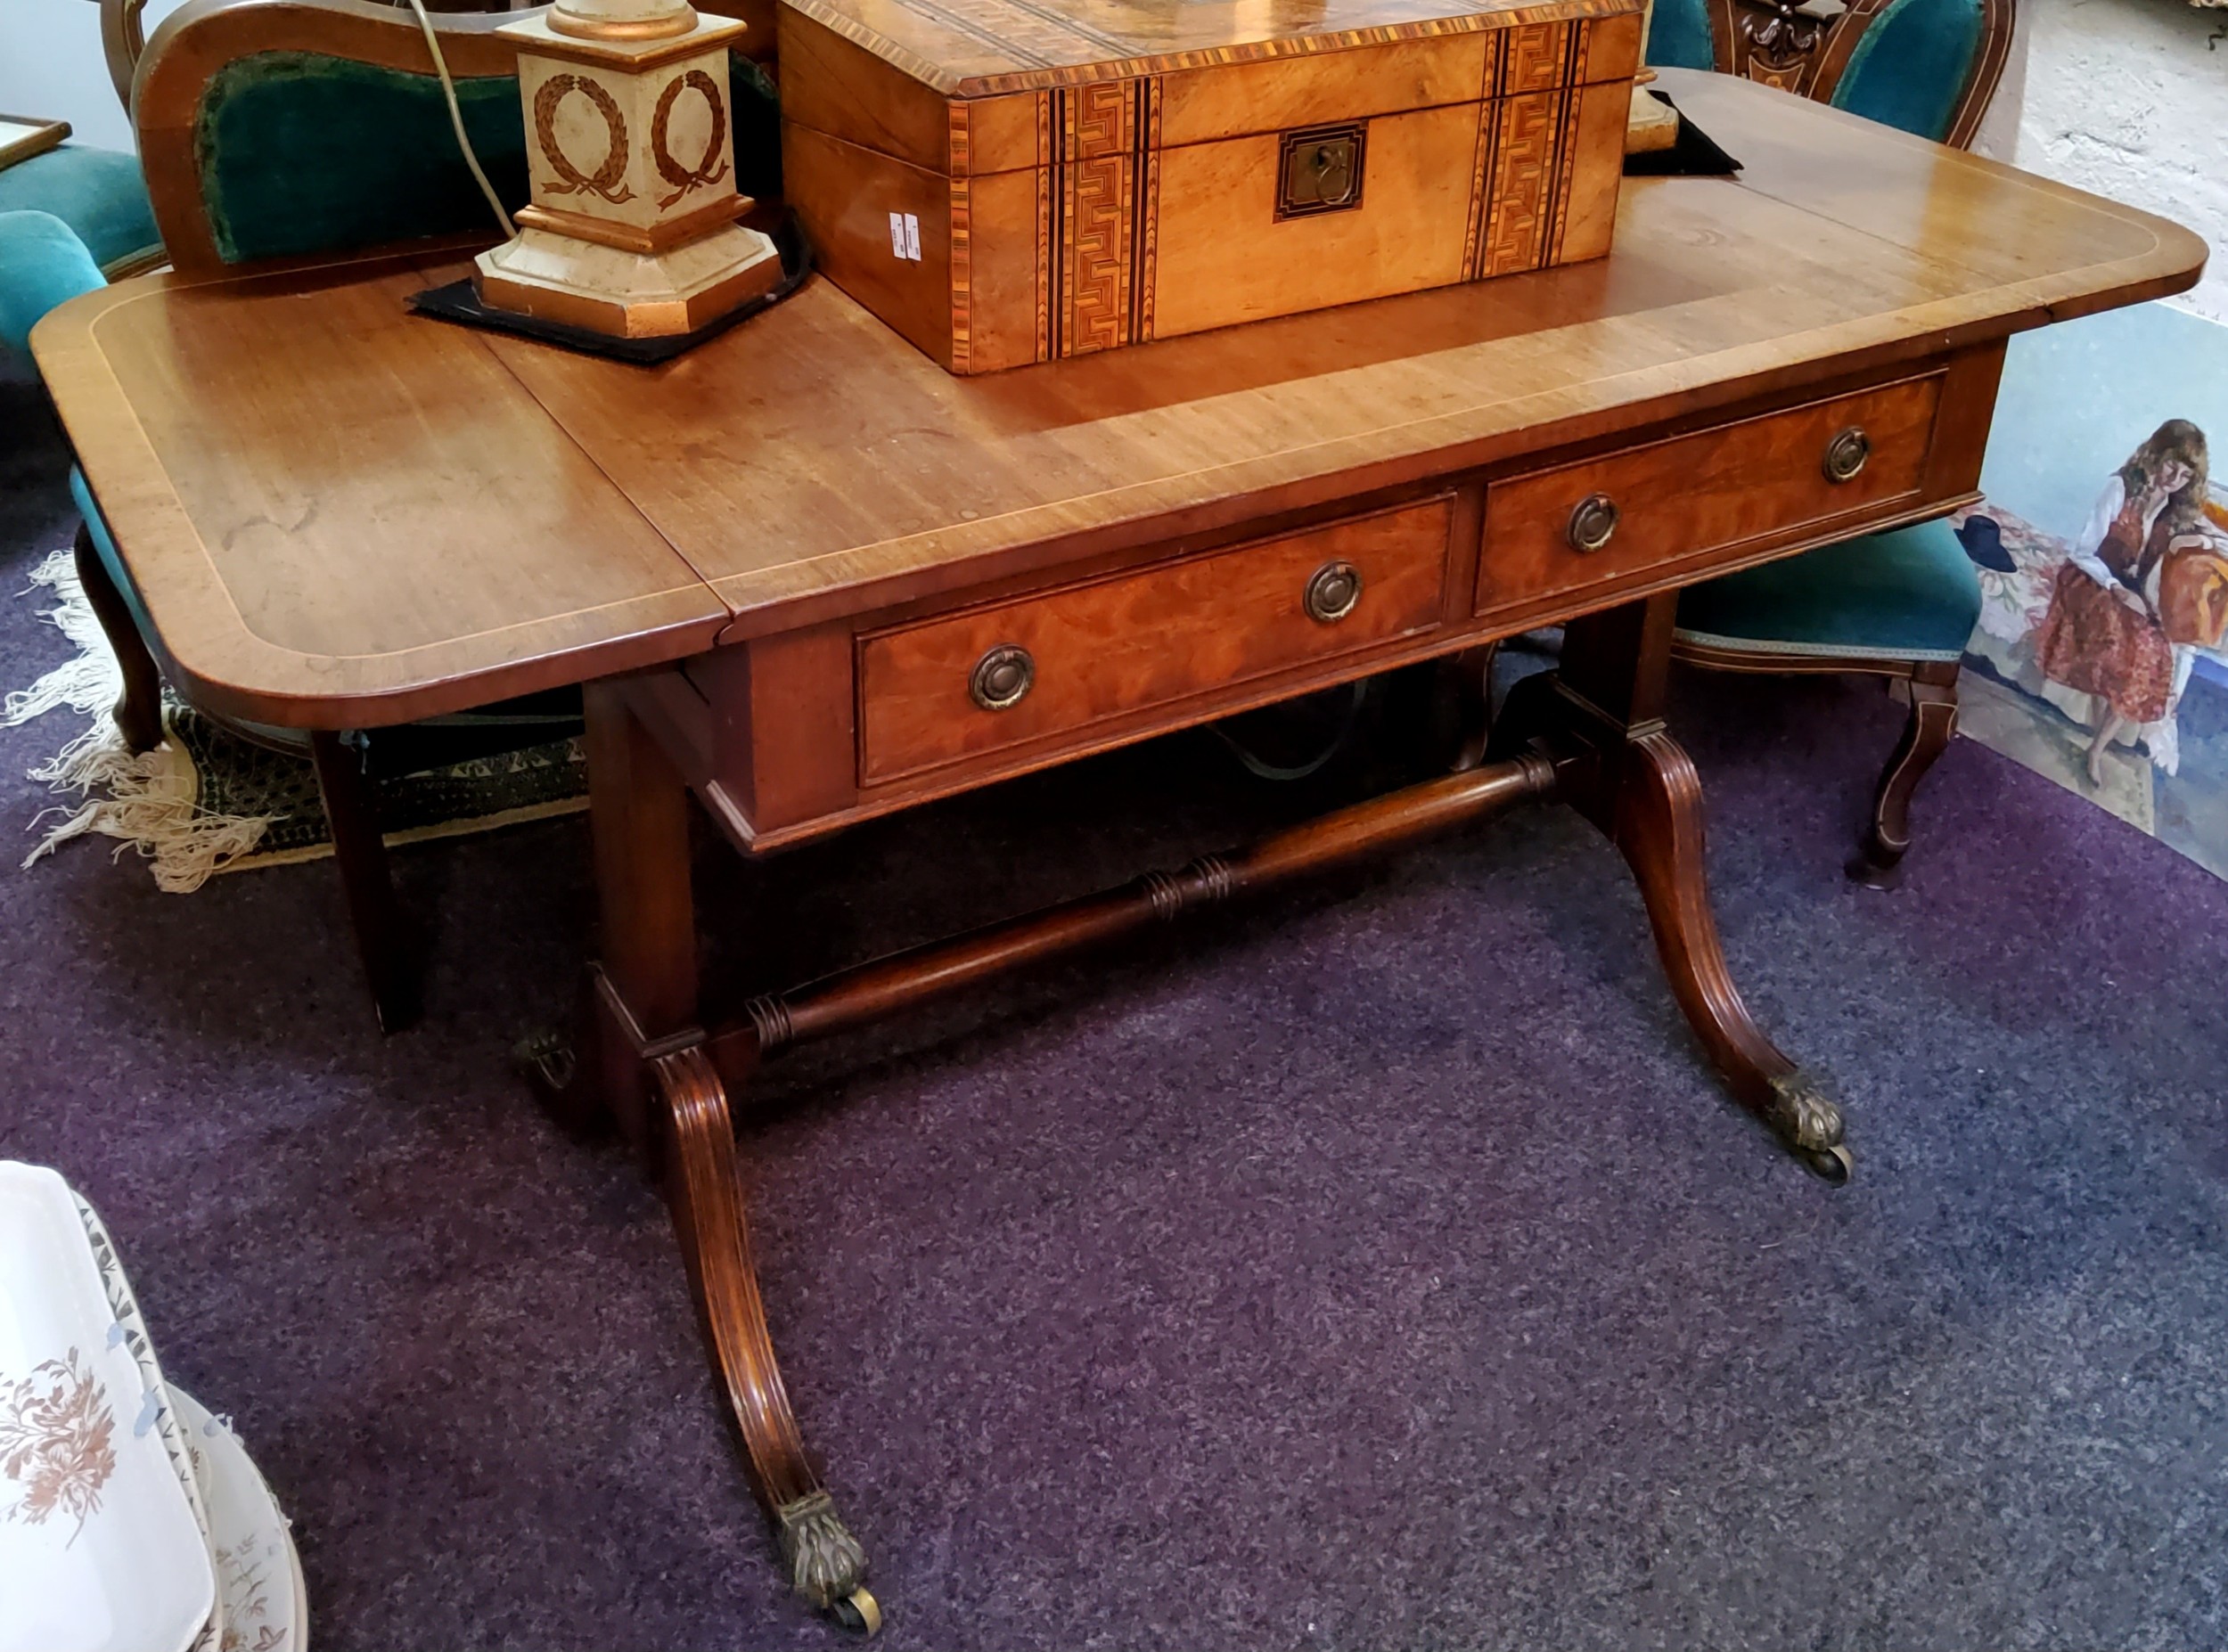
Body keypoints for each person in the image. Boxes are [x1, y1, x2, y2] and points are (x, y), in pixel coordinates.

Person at [2033, 419, 2211, 786]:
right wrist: (2116, 588)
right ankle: (2097, 740)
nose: (2173, 477)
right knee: (2126, 643)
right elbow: (2082, 550)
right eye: (2170, 464)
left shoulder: (2171, 510)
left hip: (2126, 585)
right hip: (2090, 576)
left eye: (2184, 474)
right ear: (2156, 454)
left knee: (2158, 647)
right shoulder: (2121, 487)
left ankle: (2097, 747)